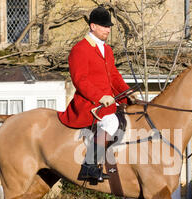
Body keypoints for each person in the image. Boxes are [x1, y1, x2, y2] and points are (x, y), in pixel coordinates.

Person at [58, 6, 135, 183]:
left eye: (109, 27)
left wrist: (127, 93)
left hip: (107, 102)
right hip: (89, 103)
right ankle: (89, 166)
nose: (108, 30)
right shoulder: (80, 49)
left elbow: (113, 76)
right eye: (104, 26)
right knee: (111, 121)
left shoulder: (107, 50)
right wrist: (100, 97)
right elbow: (80, 80)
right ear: (93, 26)